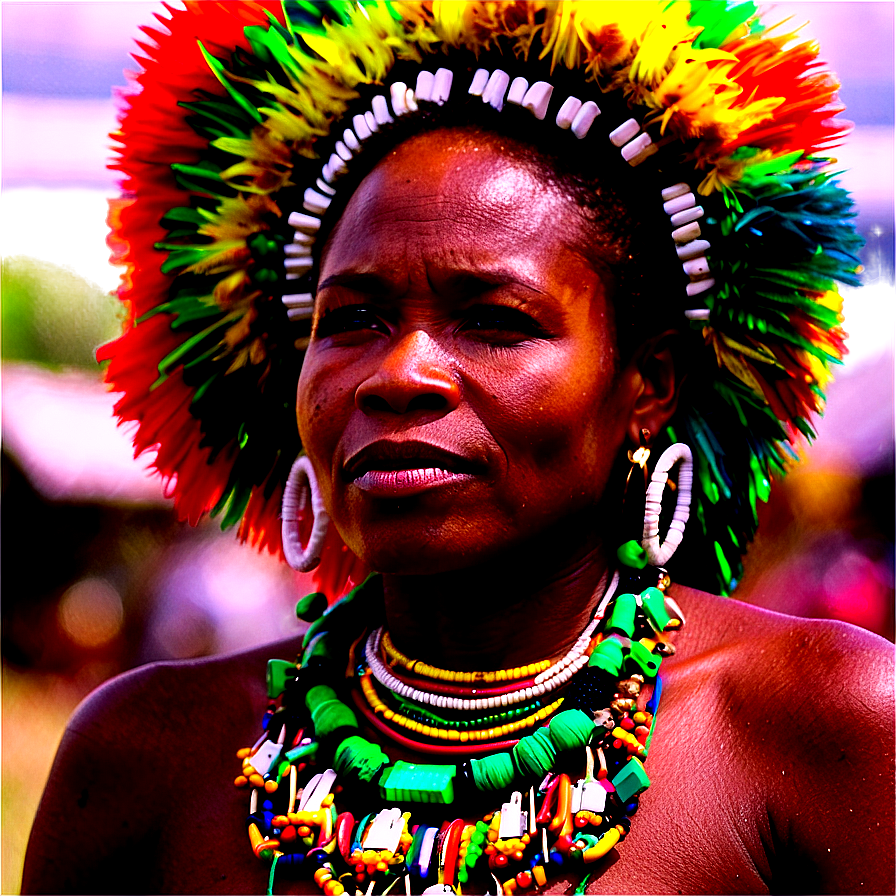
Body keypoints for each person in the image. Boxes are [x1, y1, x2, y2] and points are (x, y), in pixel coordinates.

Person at [22, 2, 894, 894]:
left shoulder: (819, 728)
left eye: (493, 322)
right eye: (352, 320)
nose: (399, 375)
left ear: (649, 384)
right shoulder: (148, 756)